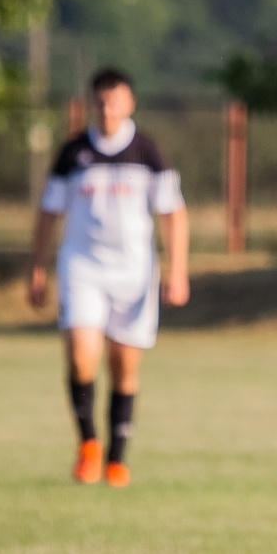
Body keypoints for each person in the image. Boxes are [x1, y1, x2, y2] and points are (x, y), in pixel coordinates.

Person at [27, 68, 190, 488]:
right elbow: (48, 214)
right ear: (92, 104)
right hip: (83, 266)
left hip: (134, 270)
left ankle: (117, 460)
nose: (108, 108)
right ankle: (89, 446)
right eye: (100, 101)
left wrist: (178, 270)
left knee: (124, 363)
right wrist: (37, 269)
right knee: (82, 353)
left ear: (130, 103)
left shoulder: (148, 151)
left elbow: (173, 214)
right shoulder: (73, 153)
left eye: (115, 100)